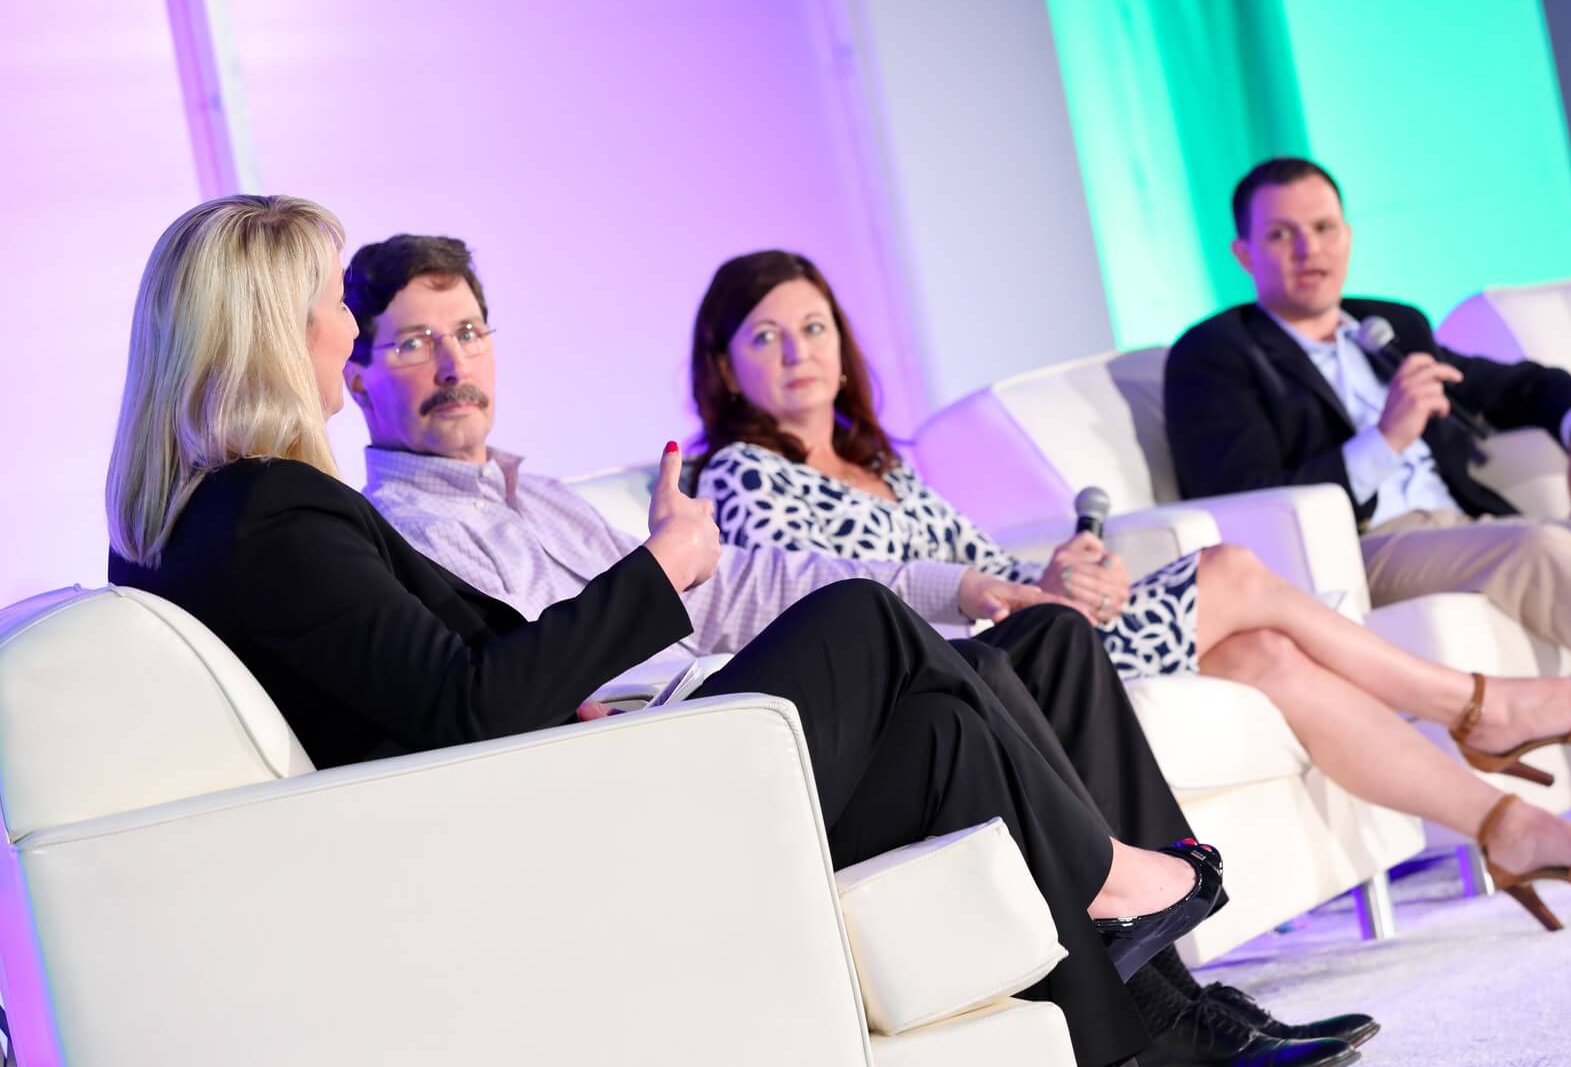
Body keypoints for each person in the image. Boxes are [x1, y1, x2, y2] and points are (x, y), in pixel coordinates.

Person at [104, 196, 1232, 1067]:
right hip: (576, 827)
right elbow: (462, 707)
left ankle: (1138, 1035)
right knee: (864, 624)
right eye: (345, 312)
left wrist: (589, 662)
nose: (350, 325)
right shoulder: (278, 515)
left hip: (582, 774)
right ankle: (1109, 872)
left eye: (468, 334)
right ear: (284, 328)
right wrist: (655, 573)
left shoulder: (225, 519)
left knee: (945, 721)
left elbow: (438, 694)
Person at [339, 233, 1372, 1067]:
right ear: (354, 370)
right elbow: (542, 676)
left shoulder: (545, 495)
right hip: (689, 750)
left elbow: (745, 583)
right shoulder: (408, 532)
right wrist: (659, 568)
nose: (451, 365)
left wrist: (962, 588)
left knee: (1038, 639)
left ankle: (1177, 1015)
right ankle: (1114, 899)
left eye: (468, 332)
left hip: (758, 706)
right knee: (895, 642)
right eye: (411, 344)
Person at [687, 249, 1571, 936]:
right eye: (765, 337)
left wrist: (1061, 577)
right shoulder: (738, 472)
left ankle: (1503, 826)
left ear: (844, 348)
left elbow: (988, 566)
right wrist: (1007, 597)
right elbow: (827, 607)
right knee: (1229, 569)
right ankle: (1477, 705)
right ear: (726, 366)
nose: (797, 350)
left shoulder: (884, 468)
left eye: (814, 328)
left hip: (1031, 631)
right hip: (969, 674)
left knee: (1265, 655)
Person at [1163, 155, 1571, 833]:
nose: (1309, 250)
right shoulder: (1214, 356)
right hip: (1363, 549)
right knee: (1537, 547)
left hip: (1465, 527)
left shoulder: (1389, 326)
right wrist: (1383, 440)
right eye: (1281, 235)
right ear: (1242, 253)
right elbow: (1243, 499)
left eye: (1323, 228)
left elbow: (1522, 384)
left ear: (1348, 234)